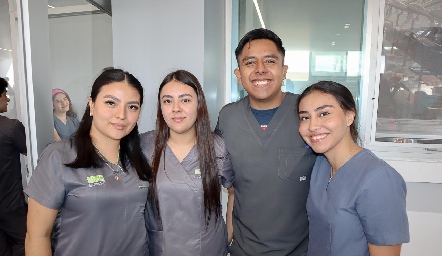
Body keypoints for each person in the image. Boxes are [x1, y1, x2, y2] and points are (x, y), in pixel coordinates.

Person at [25, 68, 153, 256]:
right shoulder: (59, 156)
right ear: (91, 105)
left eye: (132, 106)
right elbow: (37, 236)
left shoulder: (140, 157)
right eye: (111, 103)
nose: (121, 114)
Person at [215, 28, 317, 255]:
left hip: (300, 250)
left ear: (284, 70)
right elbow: (232, 188)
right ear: (238, 74)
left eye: (270, 61)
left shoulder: (307, 113)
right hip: (242, 249)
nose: (260, 70)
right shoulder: (228, 117)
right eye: (250, 63)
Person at [297, 81, 409, 256]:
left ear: (349, 116)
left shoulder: (379, 179)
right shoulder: (321, 165)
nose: (312, 126)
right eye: (305, 117)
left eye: (324, 113)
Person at [141, 70, 234, 256]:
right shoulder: (143, 146)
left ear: (199, 104)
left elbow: (234, 191)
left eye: (185, 100)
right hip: (161, 248)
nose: (176, 108)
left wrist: (227, 235)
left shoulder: (218, 147)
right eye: (167, 101)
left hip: (209, 248)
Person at [0, 77, 27, 256]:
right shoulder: (11, 127)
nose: (8, 99)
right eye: (4, 94)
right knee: (26, 240)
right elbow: (29, 151)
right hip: (10, 204)